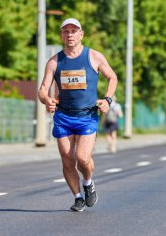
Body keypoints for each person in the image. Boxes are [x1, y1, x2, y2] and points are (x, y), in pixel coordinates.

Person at [38, 18, 118, 212]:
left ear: (81, 34)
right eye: (66, 31)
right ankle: (78, 197)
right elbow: (42, 90)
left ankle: (88, 182)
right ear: (61, 35)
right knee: (67, 160)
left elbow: (112, 77)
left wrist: (107, 99)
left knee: (82, 158)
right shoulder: (54, 62)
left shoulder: (94, 56)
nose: (70, 34)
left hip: (87, 116)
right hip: (63, 116)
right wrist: (47, 100)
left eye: (74, 31)